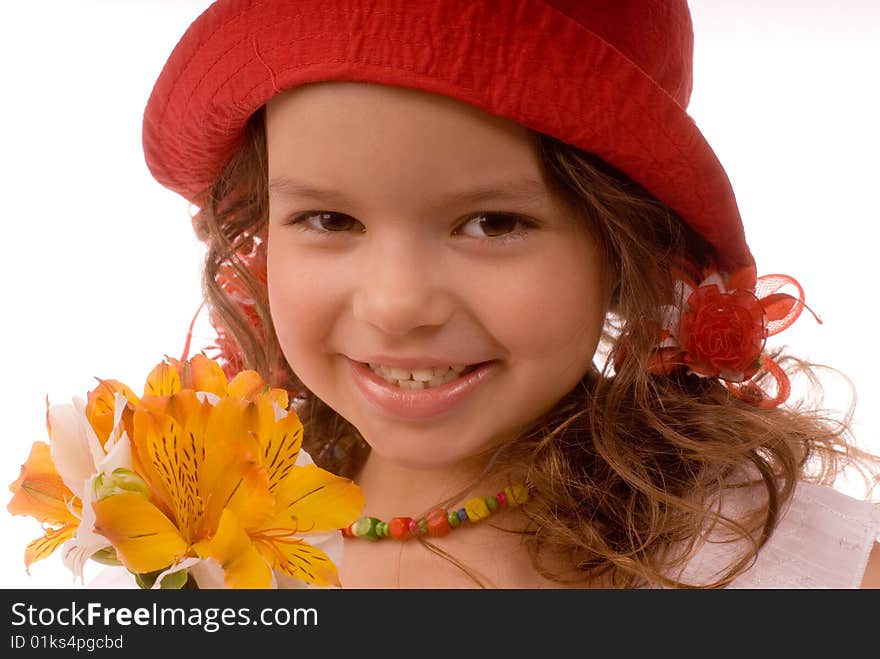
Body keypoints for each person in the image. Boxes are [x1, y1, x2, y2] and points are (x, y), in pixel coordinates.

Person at [141, 0, 880, 588]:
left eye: (493, 223)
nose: (397, 304)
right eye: (330, 219)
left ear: (622, 246)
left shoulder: (770, 566)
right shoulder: (206, 541)